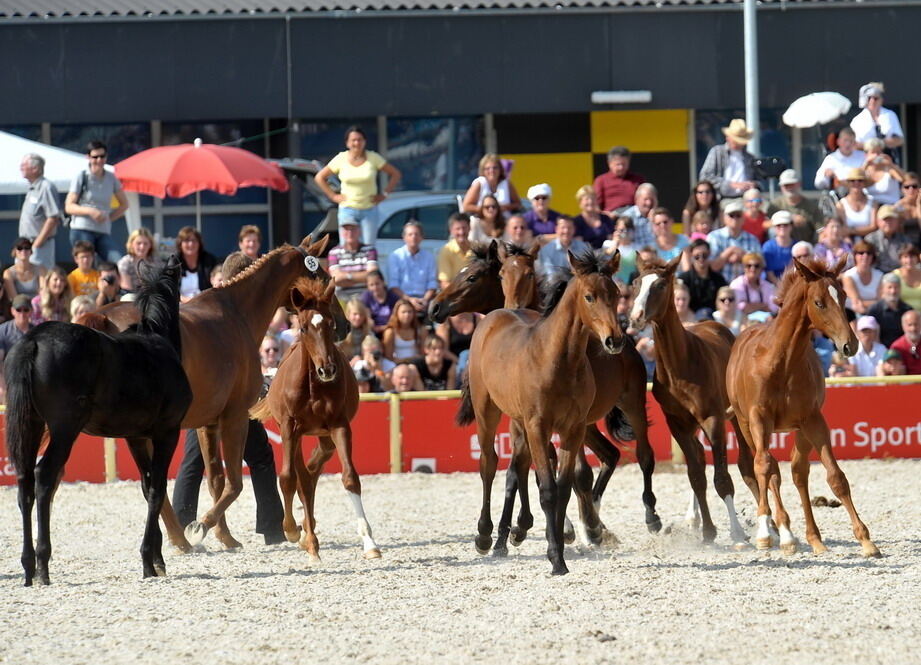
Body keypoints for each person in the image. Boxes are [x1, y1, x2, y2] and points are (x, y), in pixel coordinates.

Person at [172, 255, 286, 546]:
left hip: (203, 397)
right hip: (230, 398)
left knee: (193, 462)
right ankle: (272, 528)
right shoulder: (238, 311)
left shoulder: (204, 304)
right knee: (260, 457)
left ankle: (181, 523)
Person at [314, 125, 402, 246]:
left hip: (369, 209)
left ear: (365, 141)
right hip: (347, 209)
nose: (356, 143)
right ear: (347, 143)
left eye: (360, 139)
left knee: (369, 246)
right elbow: (320, 177)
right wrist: (333, 196)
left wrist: (384, 194)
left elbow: (395, 174)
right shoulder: (341, 158)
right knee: (347, 245)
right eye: (353, 140)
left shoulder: (373, 158)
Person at [64, 140, 129, 264]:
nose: (99, 160)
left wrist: (108, 217)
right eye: (95, 157)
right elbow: (69, 206)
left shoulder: (111, 178)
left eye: (102, 156)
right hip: (82, 228)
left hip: (103, 231)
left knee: (119, 262)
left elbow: (124, 204)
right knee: (88, 264)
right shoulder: (81, 176)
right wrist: (91, 212)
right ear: (88, 157)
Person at [699, 119, 762, 201]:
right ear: (728, 138)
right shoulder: (717, 152)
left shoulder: (749, 157)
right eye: (736, 140)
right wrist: (731, 184)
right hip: (722, 198)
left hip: (746, 199)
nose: (739, 143)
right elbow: (704, 177)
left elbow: (759, 180)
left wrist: (753, 184)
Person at [18, 153, 61, 270]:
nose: (20, 167)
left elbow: (53, 217)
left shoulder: (46, 187)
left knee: (42, 280)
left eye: (24, 165)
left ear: (35, 168)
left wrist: (36, 244)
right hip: (25, 246)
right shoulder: (32, 188)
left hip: (40, 246)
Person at [387, 221, 437, 316]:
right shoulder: (395, 256)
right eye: (410, 234)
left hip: (424, 300)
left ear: (422, 237)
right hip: (402, 300)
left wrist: (425, 300)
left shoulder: (429, 257)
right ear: (404, 237)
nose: (413, 237)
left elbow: (432, 283)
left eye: (416, 234)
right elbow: (393, 285)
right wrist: (410, 300)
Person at [707, 200, 762, 282]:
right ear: (724, 218)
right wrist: (729, 251)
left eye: (738, 215)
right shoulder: (714, 237)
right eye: (731, 215)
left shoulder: (753, 239)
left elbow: (760, 265)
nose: (735, 218)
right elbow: (712, 266)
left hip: (746, 287)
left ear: (744, 218)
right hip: (720, 287)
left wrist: (742, 256)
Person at [766, 170, 823, 244]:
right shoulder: (775, 205)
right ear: (781, 187)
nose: (789, 188)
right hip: (780, 247)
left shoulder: (811, 206)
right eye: (786, 185)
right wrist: (789, 219)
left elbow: (821, 230)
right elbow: (765, 224)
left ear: (799, 184)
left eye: (792, 184)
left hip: (804, 248)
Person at [328, 219, 379, 300]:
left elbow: (373, 276)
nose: (350, 232)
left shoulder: (370, 250)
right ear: (342, 233)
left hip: (365, 298)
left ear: (360, 231)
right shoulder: (334, 252)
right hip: (342, 298)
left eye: (353, 229)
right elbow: (336, 279)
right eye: (346, 229)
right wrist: (362, 277)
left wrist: (347, 276)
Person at [678, 238, 727, 318]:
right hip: (689, 319)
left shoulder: (718, 279)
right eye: (697, 256)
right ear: (691, 255)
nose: (701, 259)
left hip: (715, 319)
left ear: (709, 254)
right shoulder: (684, 279)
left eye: (704, 255)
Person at [850, 82, 904, 155]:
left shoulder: (890, 115)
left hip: (887, 157)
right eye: (869, 98)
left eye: (875, 98)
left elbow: (900, 140)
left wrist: (882, 143)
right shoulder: (857, 120)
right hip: (865, 159)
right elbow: (853, 144)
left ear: (881, 100)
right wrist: (868, 145)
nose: (872, 101)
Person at [593, 146, 645, 214]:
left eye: (624, 164)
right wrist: (605, 215)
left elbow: (646, 202)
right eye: (618, 164)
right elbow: (595, 205)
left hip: (633, 218)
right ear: (609, 164)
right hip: (611, 218)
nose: (621, 167)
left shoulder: (638, 179)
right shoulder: (601, 181)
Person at [867, 273, 912, 347]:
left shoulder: (908, 311)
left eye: (896, 287)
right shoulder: (874, 311)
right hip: (880, 351)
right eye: (889, 287)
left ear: (900, 288)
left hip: (902, 351)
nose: (893, 291)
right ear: (883, 289)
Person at [175, 226, 219, 302]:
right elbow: (168, 290)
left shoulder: (209, 260)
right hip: (180, 306)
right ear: (180, 244)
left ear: (199, 243)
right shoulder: (174, 262)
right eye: (186, 240)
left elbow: (217, 282)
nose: (191, 244)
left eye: (194, 240)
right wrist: (185, 300)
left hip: (205, 304)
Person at [864, 205, 911, 273]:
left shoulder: (905, 240)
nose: (888, 223)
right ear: (878, 221)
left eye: (891, 219)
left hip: (900, 275)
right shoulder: (870, 240)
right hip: (877, 275)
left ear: (897, 221)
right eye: (885, 219)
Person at [841, 241, 884, 315]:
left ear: (873, 256)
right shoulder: (848, 276)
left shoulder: (879, 275)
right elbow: (857, 302)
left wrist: (864, 303)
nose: (865, 256)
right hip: (854, 314)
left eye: (869, 253)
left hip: (877, 313)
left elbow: (881, 302)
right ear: (855, 256)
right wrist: (874, 302)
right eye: (861, 253)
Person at [836, 168, 877, 237]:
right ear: (848, 184)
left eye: (860, 180)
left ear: (864, 183)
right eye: (852, 181)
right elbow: (843, 228)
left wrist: (851, 231)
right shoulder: (841, 205)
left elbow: (873, 226)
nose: (856, 183)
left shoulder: (873, 202)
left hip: (870, 242)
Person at [117, 228, 161, 294]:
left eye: (145, 244)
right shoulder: (125, 262)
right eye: (138, 243)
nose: (142, 247)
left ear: (150, 245)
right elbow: (126, 289)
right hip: (131, 298)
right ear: (131, 244)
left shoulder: (156, 261)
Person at [862, 138, 904, 206]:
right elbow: (854, 182)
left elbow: (904, 179)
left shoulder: (889, 169)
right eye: (873, 152)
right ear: (866, 155)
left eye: (879, 152)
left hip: (890, 207)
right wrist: (865, 165)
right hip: (871, 207)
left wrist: (891, 164)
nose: (876, 156)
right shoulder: (864, 170)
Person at [3, 238, 46, 303]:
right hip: (19, 309)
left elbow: (44, 293)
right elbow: (14, 299)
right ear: (14, 252)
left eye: (27, 247)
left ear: (31, 251)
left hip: (38, 306)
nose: (23, 251)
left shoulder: (41, 270)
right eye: (20, 248)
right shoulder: (8, 273)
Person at [382, 298, 426, 362]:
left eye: (410, 312)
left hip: (417, 364)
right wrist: (406, 360)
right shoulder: (390, 332)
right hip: (397, 365)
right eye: (403, 312)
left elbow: (424, 354)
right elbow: (388, 357)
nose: (407, 315)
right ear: (397, 313)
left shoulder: (421, 330)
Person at [573, 185, 614, 249]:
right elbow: (579, 245)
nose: (590, 201)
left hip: (606, 255)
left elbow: (611, 240)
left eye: (593, 198)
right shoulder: (576, 222)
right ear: (580, 203)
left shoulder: (606, 219)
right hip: (585, 256)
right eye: (586, 199)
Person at [437, 213, 472, 289]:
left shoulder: (476, 248)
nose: (461, 232)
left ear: (469, 228)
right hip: (455, 295)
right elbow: (444, 283)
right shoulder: (446, 251)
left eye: (464, 228)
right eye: (458, 229)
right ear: (451, 231)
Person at [361, 269, 401, 335]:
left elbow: (396, 316)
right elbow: (366, 314)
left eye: (377, 284)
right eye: (371, 285)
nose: (375, 287)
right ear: (367, 286)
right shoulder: (366, 297)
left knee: (389, 333)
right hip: (372, 329)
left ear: (383, 282)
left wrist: (385, 327)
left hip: (389, 328)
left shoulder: (392, 296)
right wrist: (369, 321)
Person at [761, 211, 795, 284]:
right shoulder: (768, 247)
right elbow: (769, 273)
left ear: (791, 226)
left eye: (785, 225)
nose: (782, 227)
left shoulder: (797, 246)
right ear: (774, 228)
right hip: (773, 286)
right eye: (778, 225)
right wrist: (781, 286)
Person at [603, 216, 638, 284]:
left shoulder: (637, 247)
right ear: (616, 228)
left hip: (631, 286)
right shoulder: (607, 244)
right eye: (622, 230)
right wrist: (615, 243)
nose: (625, 233)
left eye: (628, 230)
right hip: (612, 285)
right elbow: (606, 258)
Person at [621, 183, 658, 248]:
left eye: (652, 199)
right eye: (646, 199)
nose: (649, 203)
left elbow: (663, 241)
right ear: (637, 199)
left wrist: (653, 221)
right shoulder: (628, 217)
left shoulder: (660, 217)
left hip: (655, 255)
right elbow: (624, 243)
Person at [888, 245, 921, 311]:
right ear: (900, 259)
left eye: (912, 257)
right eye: (905, 257)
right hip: (901, 316)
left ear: (917, 258)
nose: (909, 260)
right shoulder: (894, 275)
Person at [889, 310, 921, 374]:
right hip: (906, 383)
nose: (913, 328)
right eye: (910, 325)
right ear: (903, 326)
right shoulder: (897, 347)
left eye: (916, 324)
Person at [895, 172, 921, 247]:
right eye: (907, 187)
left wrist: (918, 205)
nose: (911, 189)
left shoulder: (919, 204)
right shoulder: (898, 207)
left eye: (914, 186)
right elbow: (898, 232)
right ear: (902, 189)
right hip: (905, 245)